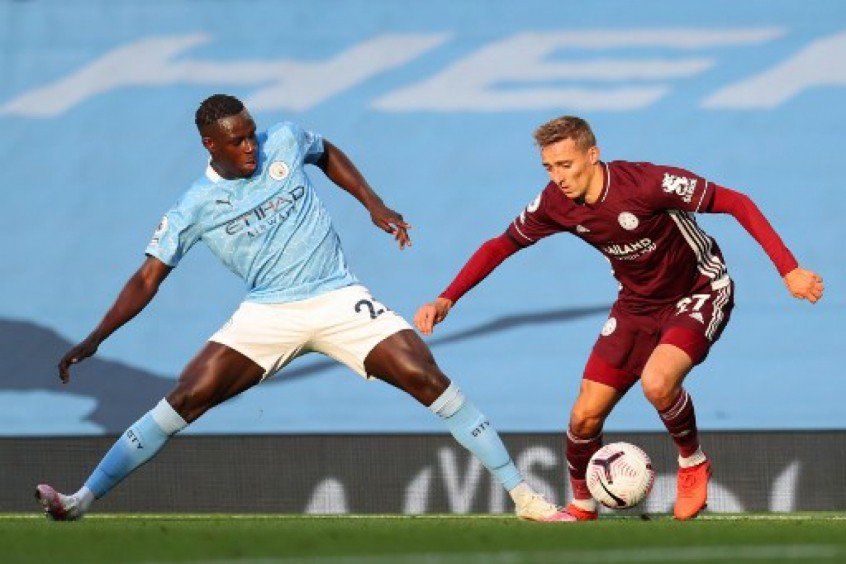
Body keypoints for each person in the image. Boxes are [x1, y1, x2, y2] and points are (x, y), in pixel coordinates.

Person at [35, 94, 573, 522]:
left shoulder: (285, 141)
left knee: (423, 373)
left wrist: (373, 203)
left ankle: (524, 497)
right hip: (268, 314)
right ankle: (80, 500)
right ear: (210, 145)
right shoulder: (193, 208)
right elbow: (145, 278)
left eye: (251, 133)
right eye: (238, 141)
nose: (252, 146)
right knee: (185, 397)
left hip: (338, 296)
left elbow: (327, 152)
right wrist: (94, 339)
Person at [414, 115, 824, 521]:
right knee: (584, 416)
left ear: (593, 155)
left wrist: (789, 269)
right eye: (549, 167)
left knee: (658, 383)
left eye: (566, 165)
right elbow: (501, 245)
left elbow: (737, 201)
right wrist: (448, 298)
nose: (558, 177)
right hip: (636, 306)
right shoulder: (556, 203)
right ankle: (582, 508)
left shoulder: (647, 184)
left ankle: (692, 462)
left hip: (698, 292)